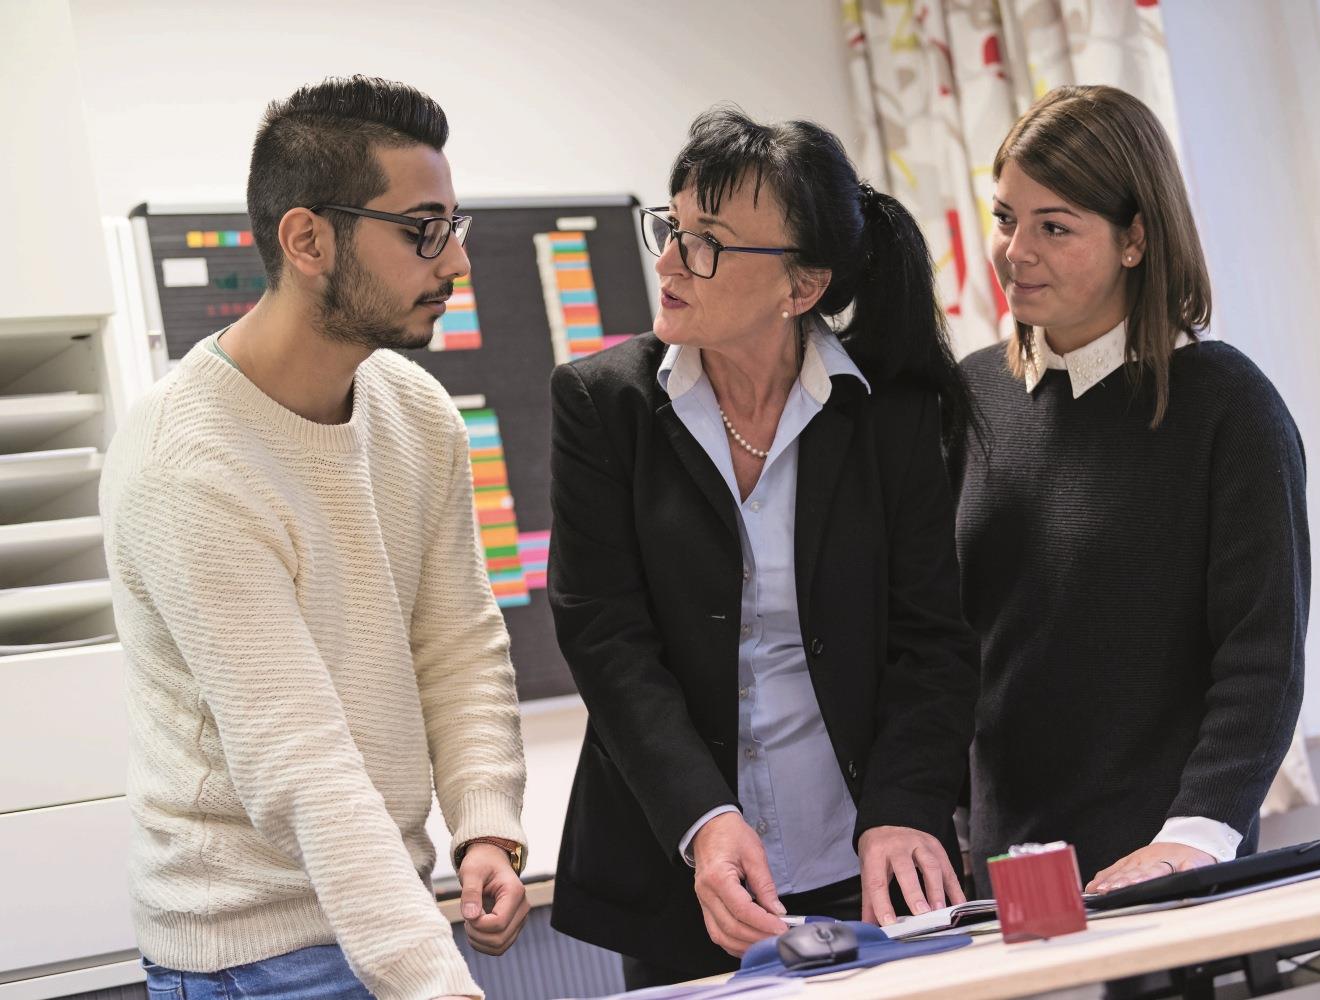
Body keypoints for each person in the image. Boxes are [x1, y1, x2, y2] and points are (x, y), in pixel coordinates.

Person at [99, 75, 528, 1000]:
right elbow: (301, 763)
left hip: (389, 902)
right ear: (307, 240)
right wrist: (435, 981)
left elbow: (456, 645)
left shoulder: (417, 414)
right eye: (423, 231)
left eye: (456, 226)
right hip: (254, 955)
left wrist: (485, 824)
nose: (454, 264)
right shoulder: (188, 461)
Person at [546, 106, 980, 986]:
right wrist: (704, 819)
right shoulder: (604, 404)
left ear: (802, 285)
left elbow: (932, 638)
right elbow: (605, 637)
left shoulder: (890, 413)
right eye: (670, 228)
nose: (668, 262)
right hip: (691, 869)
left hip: (871, 862)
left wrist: (904, 806)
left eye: (707, 241)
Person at [954, 85, 1310, 896]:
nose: (1016, 252)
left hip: (1169, 862)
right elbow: (943, 649)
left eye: (1055, 227)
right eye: (1007, 218)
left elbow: (1263, 657)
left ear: (1135, 239)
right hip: (1003, 872)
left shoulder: (1227, 405)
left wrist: (1195, 837)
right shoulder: (968, 399)